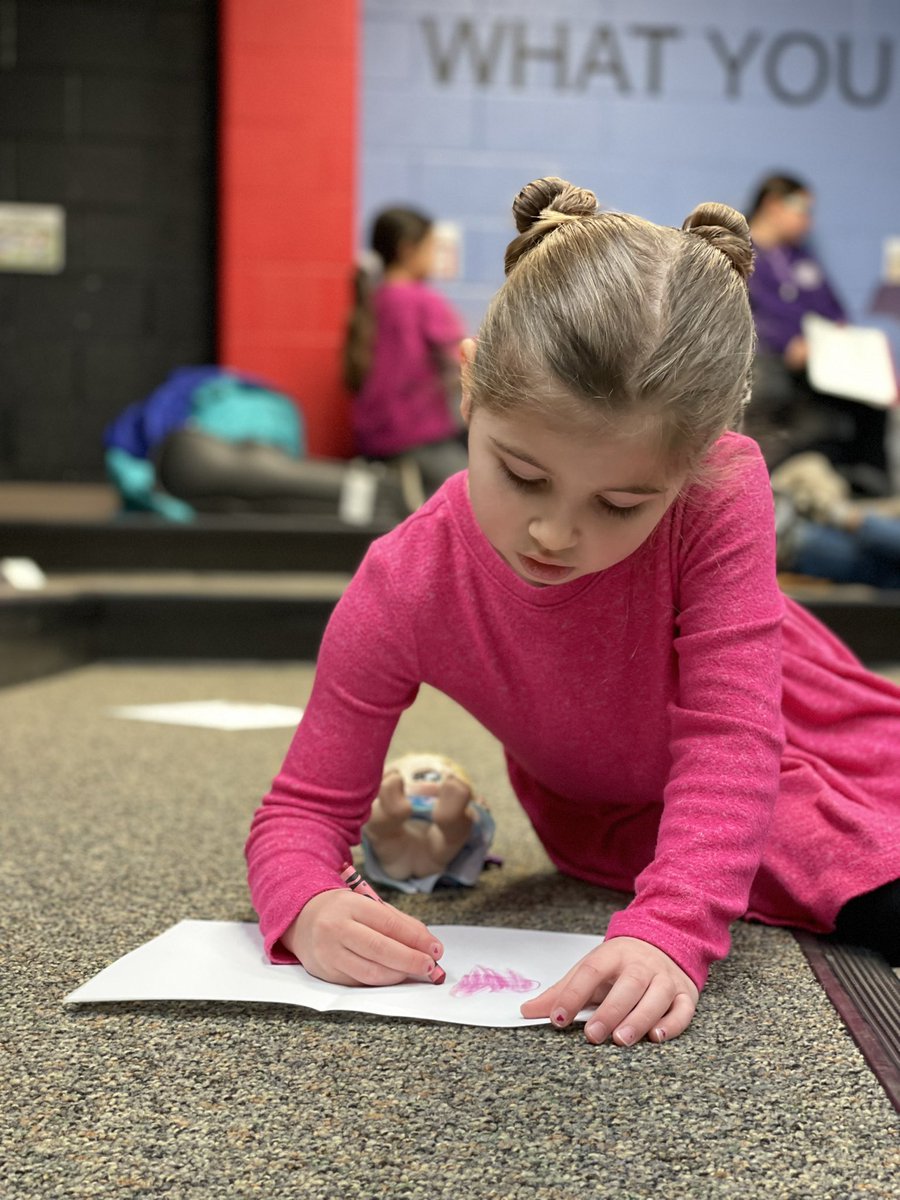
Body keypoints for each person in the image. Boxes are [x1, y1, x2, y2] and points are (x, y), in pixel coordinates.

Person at [247, 177, 900, 1049]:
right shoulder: (405, 582)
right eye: (522, 476)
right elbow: (298, 813)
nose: (555, 532)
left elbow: (734, 739)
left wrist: (674, 928)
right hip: (617, 809)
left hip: (797, 725)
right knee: (844, 873)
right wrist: (307, 904)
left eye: (624, 502)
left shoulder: (723, 486)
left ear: (693, 466)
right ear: (471, 386)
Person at [744, 172, 890, 489]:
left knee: (874, 398)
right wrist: (786, 346)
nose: (807, 221)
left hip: (819, 367)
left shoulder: (803, 261)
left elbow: (836, 315)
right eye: (801, 209)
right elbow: (736, 319)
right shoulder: (741, 254)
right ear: (772, 204)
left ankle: (868, 487)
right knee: (770, 383)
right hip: (766, 366)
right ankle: (767, 483)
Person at [343, 206, 468, 497]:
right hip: (418, 438)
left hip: (375, 440)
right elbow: (464, 356)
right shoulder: (422, 300)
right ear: (408, 249)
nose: (434, 258)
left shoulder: (374, 298)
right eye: (431, 248)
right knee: (476, 495)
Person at [773, 451, 900, 588]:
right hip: (811, 531)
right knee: (813, 467)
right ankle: (827, 510)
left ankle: (825, 513)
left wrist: (837, 512)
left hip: (800, 542)